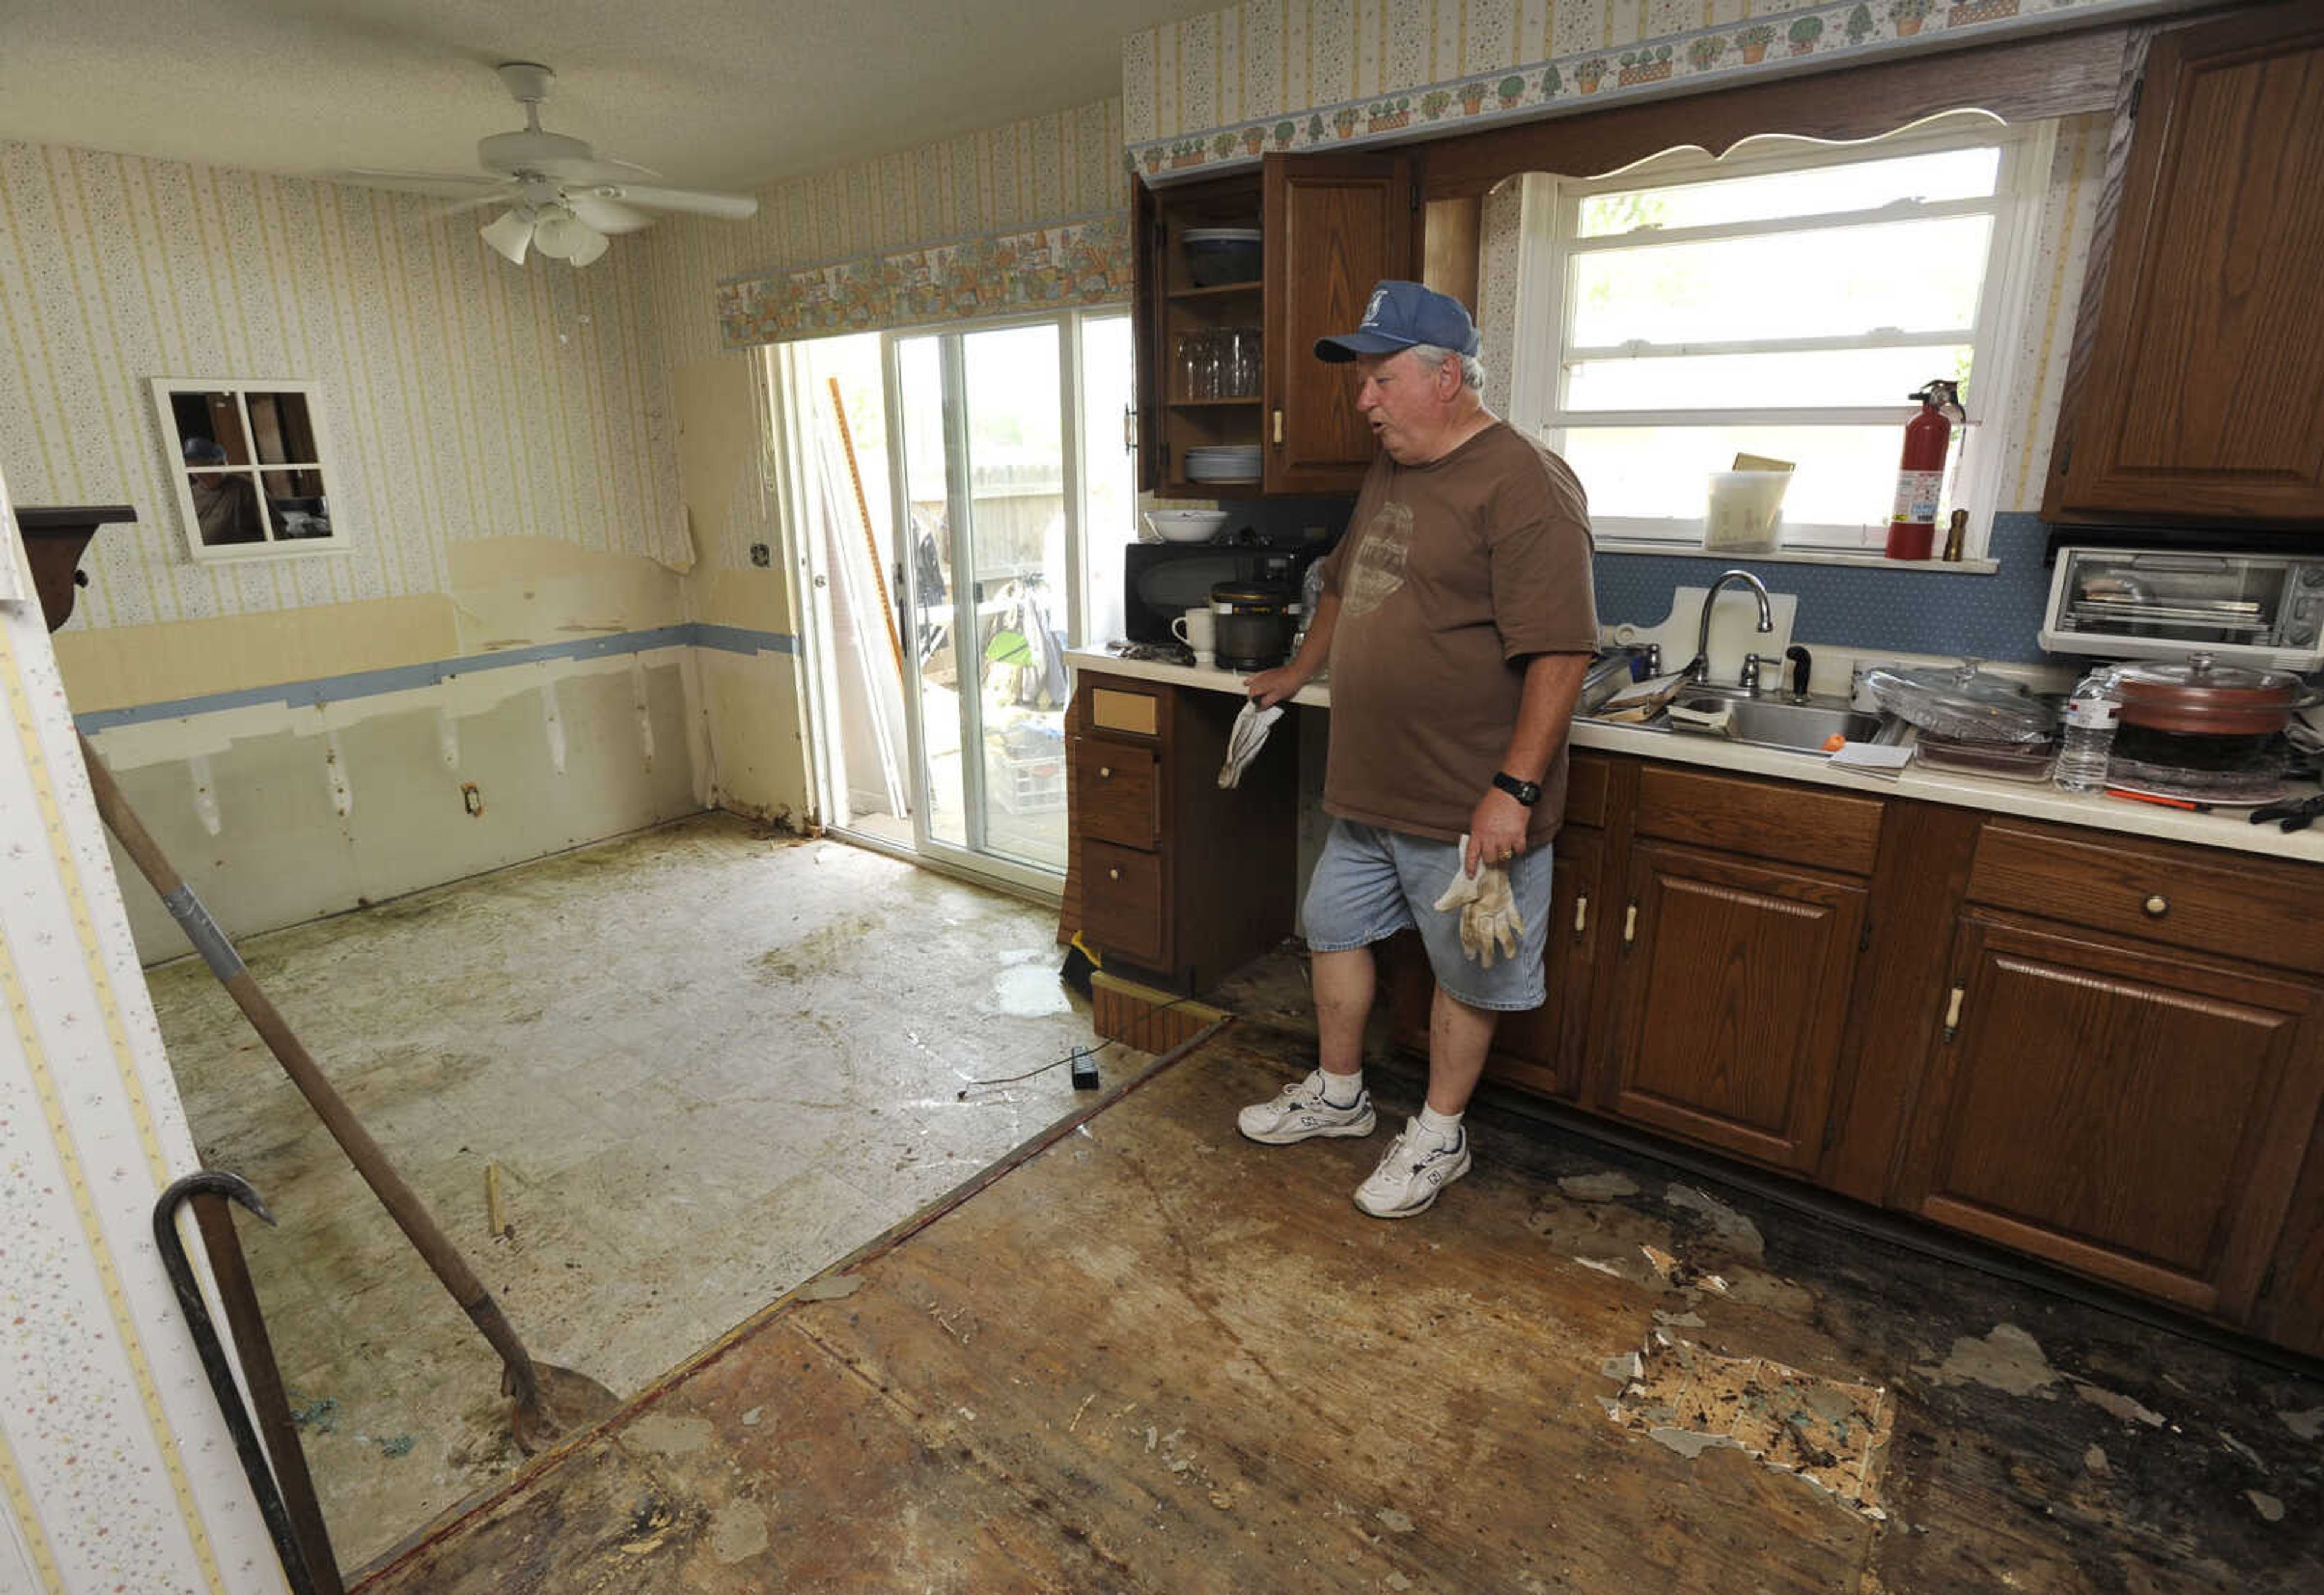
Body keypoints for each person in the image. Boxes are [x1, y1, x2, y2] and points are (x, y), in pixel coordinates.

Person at [1238, 280, 1597, 1218]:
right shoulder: (1395, 463)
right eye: (1363, 380)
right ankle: (1341, 1095)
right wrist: (1294, 670)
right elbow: (1343, 587)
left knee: (1467, 970)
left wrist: (1512, 789)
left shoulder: (1527, 482)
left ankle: (1440, 1134)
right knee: (1334, 928)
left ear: (1448, 378)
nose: (1365, 402)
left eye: (1380, 378)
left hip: (1465, 800)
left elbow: (1562, 647)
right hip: (1369, 787)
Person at [182, 437, 268, 545]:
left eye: (202, 468)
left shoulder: (246, 488)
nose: (197, 476)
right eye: (191, 470)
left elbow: (276, 529)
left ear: (221, 464)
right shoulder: (190, 494)